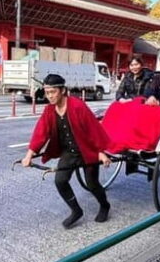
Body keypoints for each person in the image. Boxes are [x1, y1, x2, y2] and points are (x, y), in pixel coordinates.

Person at [21, 74, 112, 228]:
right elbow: (40, 132)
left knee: (92, 184)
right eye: (47, 92)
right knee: (60, 180)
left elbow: (93, 129)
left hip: (87, 149)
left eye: (53, 92)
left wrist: (100, 152)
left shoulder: (77, 106)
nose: (49, 96)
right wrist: (29, 155)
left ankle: (104, 205)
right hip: (69, 152)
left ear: (62, 90)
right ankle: (76, 210)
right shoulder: (50, 110)